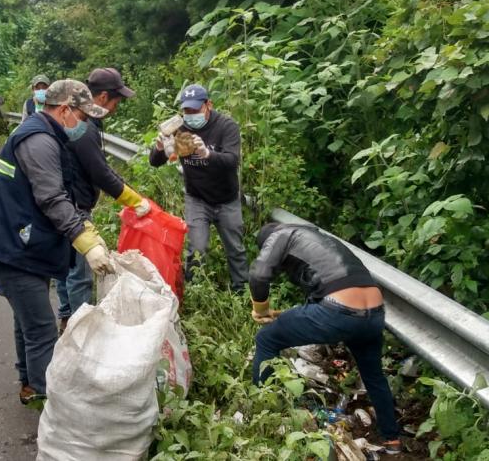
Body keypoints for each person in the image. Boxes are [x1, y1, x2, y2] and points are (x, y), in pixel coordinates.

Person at [0, 79, 113, 405]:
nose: (84, 124)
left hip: (19, 245)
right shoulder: (39, 141)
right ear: (65, 110)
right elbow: (52, 198)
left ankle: (28, 384)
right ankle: (48, 402)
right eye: (82, 116)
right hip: (14, 251)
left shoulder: (46, 134)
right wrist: (85, 241)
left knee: (26, 324)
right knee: (41, 331)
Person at [249, 222, 402, 454]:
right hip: (374, 313)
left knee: (266, 339)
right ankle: (392, 440)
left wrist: (260, 310)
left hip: (339, 313)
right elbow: (328, 289)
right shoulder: (318, 238)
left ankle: (262, 414)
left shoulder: (279, 236)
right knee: (373, 375)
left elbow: (259, 275)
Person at [55, 67, 150, 332]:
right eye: (117, 101)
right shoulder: (83, 129)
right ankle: (81, 331)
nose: (117, 107)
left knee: (65, 267)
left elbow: (100, 169)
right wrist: (135, 201)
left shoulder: (77, 121)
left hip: (64, 205)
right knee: (80, 275)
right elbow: (101, 174)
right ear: (104, 97)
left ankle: (66, 316)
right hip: (74, 209)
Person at [149, 84, 249, 293]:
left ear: (208, 105)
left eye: (195, 110)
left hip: (227, 199)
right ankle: (195, 293)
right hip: (197, 199)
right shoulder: (179, 127)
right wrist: (159, 147)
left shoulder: (226, 126)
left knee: (236, 249)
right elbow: (155, 161)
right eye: (186, 111)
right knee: (196, 249)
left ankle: (241, 292)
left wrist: (208, 154)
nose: (190, 115)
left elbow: (232, 161)